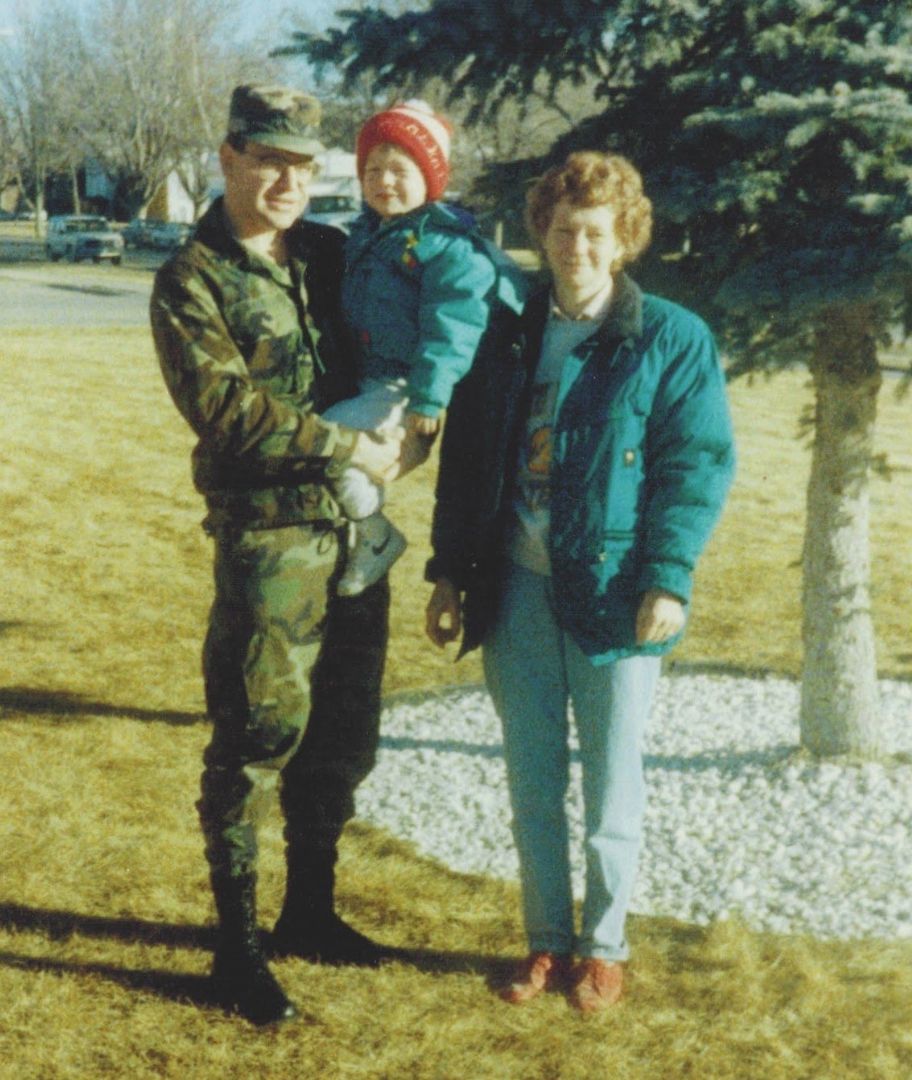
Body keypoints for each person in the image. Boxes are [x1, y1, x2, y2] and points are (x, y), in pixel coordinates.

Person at [425, 151, 735, 1013]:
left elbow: (696, 466)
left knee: (610, 782)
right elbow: (470, 462)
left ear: (624, 239)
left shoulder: (669, 337)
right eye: (564, 230)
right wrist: (450, 571)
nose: (579, 247)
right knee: (531, 779)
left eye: (596, 233)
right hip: (514, 587)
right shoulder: (509, 330)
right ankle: (545, 944)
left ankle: (604, 947)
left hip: (616, 594)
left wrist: (667, 577)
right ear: (543, 233)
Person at [150, 84, 404, 1027]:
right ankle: (238, 950)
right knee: (256, 738)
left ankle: (311, 912)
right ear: (227, 157)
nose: (289, 180)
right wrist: (345, 446)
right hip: (270, 542)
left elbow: (404, 334)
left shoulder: (335, 255)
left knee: (342, 738)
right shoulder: (192, 280)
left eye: (303, 164)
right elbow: (224, 411)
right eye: (270, 160)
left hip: (357, 538)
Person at [322, 99, 523, 596]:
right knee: (339, 456)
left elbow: (452, 326)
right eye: (372, 169)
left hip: (403, 387)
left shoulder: (448, 246)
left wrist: (429, 398)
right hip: (368, 376)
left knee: (326, 442)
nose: (383, 181)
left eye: (398, 170)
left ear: (429, 178)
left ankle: (376, 537)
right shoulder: (368, 234)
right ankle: (363, 529)